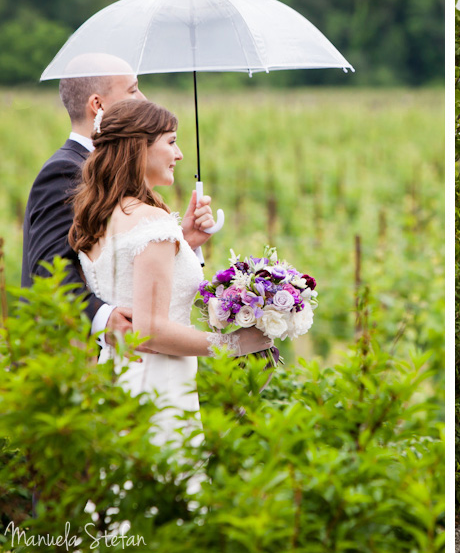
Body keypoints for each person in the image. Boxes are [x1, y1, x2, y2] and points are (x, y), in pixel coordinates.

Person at [68, 98, 273, 445]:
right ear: (139, 148)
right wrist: (234, 343)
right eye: (171, 141)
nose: (178, 155)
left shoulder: (100, 214)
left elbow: (131, 283)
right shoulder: (151, 221)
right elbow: (151, 332)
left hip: (116, 377)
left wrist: (187, 240)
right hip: (157, 385)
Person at [21, 53, 212, 353]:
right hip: (74, 359)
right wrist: (104, 316)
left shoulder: (114, 180)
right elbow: (49, 267)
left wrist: (183, 242)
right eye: (133, 90)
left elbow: (116, 256)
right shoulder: (67, 170)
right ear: (98, 104)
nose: (144, 98)